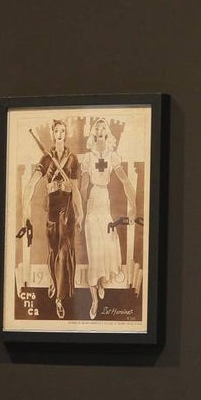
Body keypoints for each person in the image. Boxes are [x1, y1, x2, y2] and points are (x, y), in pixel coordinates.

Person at [22, 119, 82, 320]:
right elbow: (31, 184)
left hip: (67, 211)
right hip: (51, 211)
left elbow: (75, 189)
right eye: (56, 131)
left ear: (66, 134)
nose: (59, 134)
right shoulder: (46, 159)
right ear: (52, 133)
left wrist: (79, 209)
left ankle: (59, 298)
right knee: (53, 251)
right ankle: (55, 282)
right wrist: (25, 208)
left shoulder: (72, 159)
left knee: (64, 252)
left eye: (62, 131)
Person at [80, 118, 135, 320]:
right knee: (94, 252)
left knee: (107, 245)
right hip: (93, 203)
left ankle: (102, 281)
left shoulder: (113, 157)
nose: (100, 128)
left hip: (105, 202)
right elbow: (84, 186)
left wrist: (134, 205)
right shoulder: (87, 158)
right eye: (97, 126)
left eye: (104, 126)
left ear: (107, 131)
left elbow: (125, 181)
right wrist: (81, 210)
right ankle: (94, 299)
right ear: (94, 132)